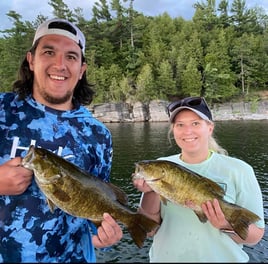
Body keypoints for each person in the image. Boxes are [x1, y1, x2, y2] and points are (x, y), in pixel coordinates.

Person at [0, 18, 123, 262]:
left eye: (71, 56)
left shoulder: (98, 135)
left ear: (81, 70)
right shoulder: (3, 110)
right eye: (49, 52)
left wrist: (105, 237)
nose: (60, 64)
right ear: (31, 60)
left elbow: (95, 211)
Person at [133, 96, 265, 262]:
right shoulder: (162, 165)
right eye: (180, 125)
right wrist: (150, 191)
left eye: (195, 123)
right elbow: (148, 230)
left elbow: (255, 236)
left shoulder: (240, 170)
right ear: (173, 130)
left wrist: (225, 224)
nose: (187, 131)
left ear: (210, 128)